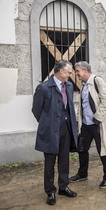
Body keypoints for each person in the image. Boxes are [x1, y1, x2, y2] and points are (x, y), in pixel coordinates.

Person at [32, 60, 78, 205]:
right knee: (50, 162)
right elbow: (36, 110)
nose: (70, 75)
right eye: (69, 72)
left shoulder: (69, 86)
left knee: (64, 160)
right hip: (50, 130)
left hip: (66, 128)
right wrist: (47, 123)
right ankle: (50, 191)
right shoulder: (44, 88)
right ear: (60, 71)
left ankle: (63, 187)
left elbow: (69, 106)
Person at [69, 61, 106, 188]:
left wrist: (97, 119)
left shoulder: (97, 81)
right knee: (82, 149)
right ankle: (82, 174)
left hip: (97, 123)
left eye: (78, 70)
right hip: (86, 124)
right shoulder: (84, 84)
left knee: (103, 150)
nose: (76, 73)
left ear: (85, 70)